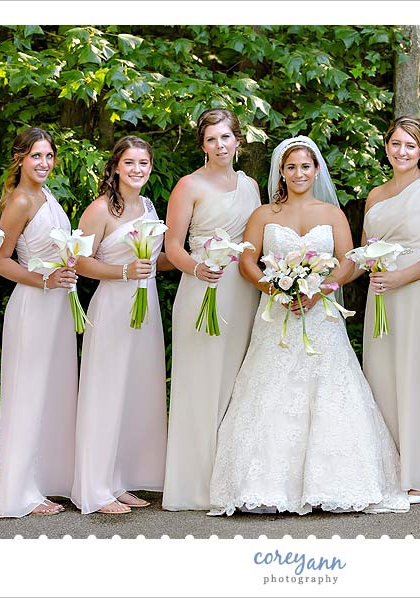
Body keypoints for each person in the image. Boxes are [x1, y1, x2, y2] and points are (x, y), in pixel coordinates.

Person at [207, 136, 409, 515]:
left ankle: (335, 482)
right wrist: (275, 287)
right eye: (291, 167)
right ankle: (266, 485)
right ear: (280, 173)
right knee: (272, 388)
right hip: (275, 312)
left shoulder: (331, 215)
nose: (299, 173)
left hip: (321, 313)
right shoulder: (264, 215)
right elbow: (248, 261)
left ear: (316, 169)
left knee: (329, 388)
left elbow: (349, 262)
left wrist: (320, 290)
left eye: (305, 166)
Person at [349, 116, 420, 504]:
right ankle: (391, 467)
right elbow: (363, 252)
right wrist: (317, 279)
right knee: (384, 378)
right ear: (387, 147)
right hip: (383, 296)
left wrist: (402, 277)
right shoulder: (375, 195)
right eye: (395, 143)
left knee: (419, 377)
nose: (401, 151)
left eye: (410, 145)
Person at [162, 109, 261, 511]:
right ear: (202, 145)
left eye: (226, 137)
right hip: (205, 287)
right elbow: (171, 247)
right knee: (201, 383)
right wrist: (198, 268)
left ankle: (233, 479)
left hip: (245, 291)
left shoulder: (252, 185)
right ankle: (193, 486)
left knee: (240, 382)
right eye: (211, 139)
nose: (220, 145)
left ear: (238, 140)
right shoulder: (189, 186)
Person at [72, 135, 172, 514]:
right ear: (115, 166)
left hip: (144, 312)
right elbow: (81, 263)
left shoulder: (147, 206)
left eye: (143, 163)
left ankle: (120, 479)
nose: (137, 170)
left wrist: (195, 257)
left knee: (134, 393)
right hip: (113, 307)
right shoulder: (99, 210)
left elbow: (156, 260)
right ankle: (95, 489)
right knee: (106, 392)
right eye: (129, 163)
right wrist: (123, 271)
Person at [0, 127, 78, 517]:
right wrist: (44, 278)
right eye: (36, 156)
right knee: (27, 394)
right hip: (32, 304)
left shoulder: (47, 195)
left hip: (57, 304)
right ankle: (18, 492)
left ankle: (41, 480)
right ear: (20, 159)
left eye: (48, 156)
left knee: (50, 393)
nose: (43, 163)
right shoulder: (22, 201)